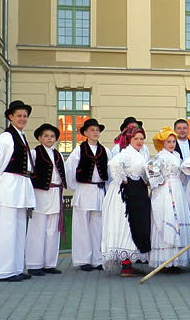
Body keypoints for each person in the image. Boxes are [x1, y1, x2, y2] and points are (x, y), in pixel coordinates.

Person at [0, 100, 36, 282]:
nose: (22, 119)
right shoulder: (5, 138)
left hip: (20, 184)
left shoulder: (20, 136)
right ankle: (3, 271)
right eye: (19, 116)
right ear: (11, 117)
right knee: (6, 228)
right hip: (8, 185)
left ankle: (16, 268)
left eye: (25, 116)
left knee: (19, 227)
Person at [101, 124, 151, 277]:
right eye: (136, 138)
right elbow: (114, 164)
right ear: (129, 139)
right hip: (126, 194)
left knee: (136, 225)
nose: (140, 141)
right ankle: (126, 266)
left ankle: (129, 263)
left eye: (142, 138)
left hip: (138, 191)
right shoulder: (127, 152)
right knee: (126, 226)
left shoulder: (140, 153)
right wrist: (123, 179)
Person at [147, 127, 190, 272]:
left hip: (177, 188)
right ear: (162, 143)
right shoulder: (161, 156)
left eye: (173, 141)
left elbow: (181, 172)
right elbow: (150, 169)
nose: (172, 144)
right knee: (168, 217)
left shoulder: (177, 155)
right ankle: (165, 260)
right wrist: (160, 180)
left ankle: (176, 259)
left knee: (179, 217)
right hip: (167, 190)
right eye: (169, 141)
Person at [65, 118, 109, 271]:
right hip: (84, 189)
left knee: (98, 226)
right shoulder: (78, 150)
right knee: (82, 226)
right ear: (85, 133)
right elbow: (69, 170)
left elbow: (109, 173)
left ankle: (98, 259)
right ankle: (84, 259)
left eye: (97, 130)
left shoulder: (105, 151)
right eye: (92, 130)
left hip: (99, 191)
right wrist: (76, 187)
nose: (95, 132)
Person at [26, 123, 66, 276]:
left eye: (52, 136)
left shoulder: (58, 154)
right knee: (37, 229)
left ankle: (49, 263)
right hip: (40, 193)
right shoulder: (35, 153)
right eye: (46, 136)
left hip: (55, 193)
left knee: (52, 230)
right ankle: (34, 264)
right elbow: (28, 173)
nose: (50, 138)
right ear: (39, 138)